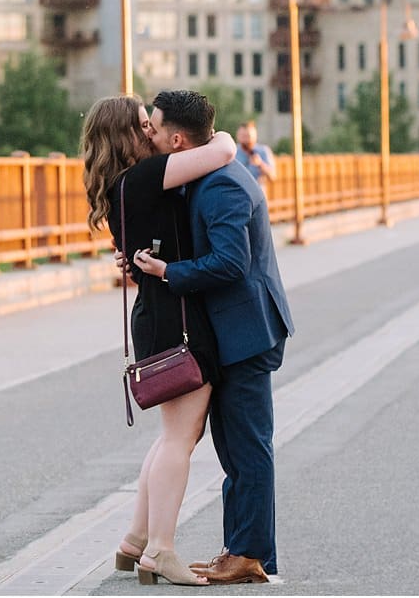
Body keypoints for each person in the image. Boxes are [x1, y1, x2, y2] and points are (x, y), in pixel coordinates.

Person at [134, 89, 295, 586]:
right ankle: (240, 548)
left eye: (154, 128)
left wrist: (167, 272)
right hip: (234, 329)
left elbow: (230, 262)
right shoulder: (204, 175)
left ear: (177, 139)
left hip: (247, 331)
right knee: (236, 447)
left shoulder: (222, 186)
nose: (149, 135)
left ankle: (249, 554)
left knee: (247, 448)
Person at [87, 94, 237, 587]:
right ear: (128, 136)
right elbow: (222, 152)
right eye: (142, 125)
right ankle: (161, 550)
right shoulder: (147, 177)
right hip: (176, 319)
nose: (150, 132)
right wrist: (228, 134)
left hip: (155, 314)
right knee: (179, 438)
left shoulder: (119, 188)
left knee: (173, 435)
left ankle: (135, 541)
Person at [234, 121, 277, 185]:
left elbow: (273, 177)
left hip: (258, 193)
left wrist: (260, 164)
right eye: (243, 136)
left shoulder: (263, 151)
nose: (246, 140)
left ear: (255, 136)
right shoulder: (233, 152)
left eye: (248, 136)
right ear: (238, 136)